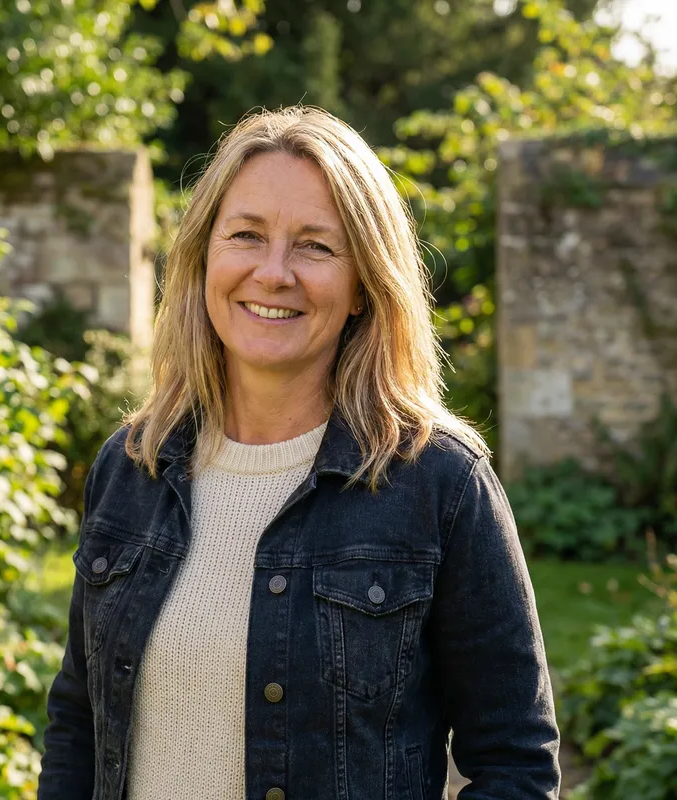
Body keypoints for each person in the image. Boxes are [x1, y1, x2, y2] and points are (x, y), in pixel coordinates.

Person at [38, 105, 560, 800]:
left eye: (316, 246)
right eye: (246, 235)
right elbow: (78, 723)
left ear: (362, 287)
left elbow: (516, 764)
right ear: (201, 259)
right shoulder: (132, 466)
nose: (273, 273)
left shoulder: (439, 484)